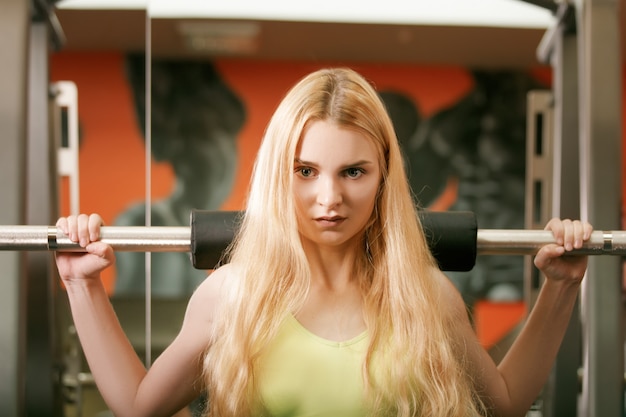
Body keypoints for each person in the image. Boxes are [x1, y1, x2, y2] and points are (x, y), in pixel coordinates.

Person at [55, 68, 592, 417]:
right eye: (306, 170)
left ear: (384, 176)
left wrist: (561, 288)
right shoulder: (234, 294)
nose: (328, 197)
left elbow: (502, 405)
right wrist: (83, 285)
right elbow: (136, 407)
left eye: (353, 171)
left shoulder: (425, 295)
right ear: (277, 174)